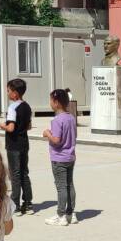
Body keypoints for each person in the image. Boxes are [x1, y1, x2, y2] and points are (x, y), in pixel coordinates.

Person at [42, 88, 77, 226]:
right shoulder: (71, 118)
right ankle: (71, 213)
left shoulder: (57, 120)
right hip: (70, 157)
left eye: (51, 100)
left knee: (61, 187)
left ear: (56, 102)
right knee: (70, 185)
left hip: (59, 158)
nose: (50, 103)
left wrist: (47, 134)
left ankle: (61, 215)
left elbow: (56, 140)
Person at [4, 78, 33, 216]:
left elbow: (10, 128)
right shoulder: (27, 106)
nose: (7, 93)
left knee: (14, 174)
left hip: (13, 144)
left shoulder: (12, 107)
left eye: (9, 90)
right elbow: (29, 126)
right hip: (24, 143)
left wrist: (2, 125)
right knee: (24, 173)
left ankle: (14, 203)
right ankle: (28, 203)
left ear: (15, 93)